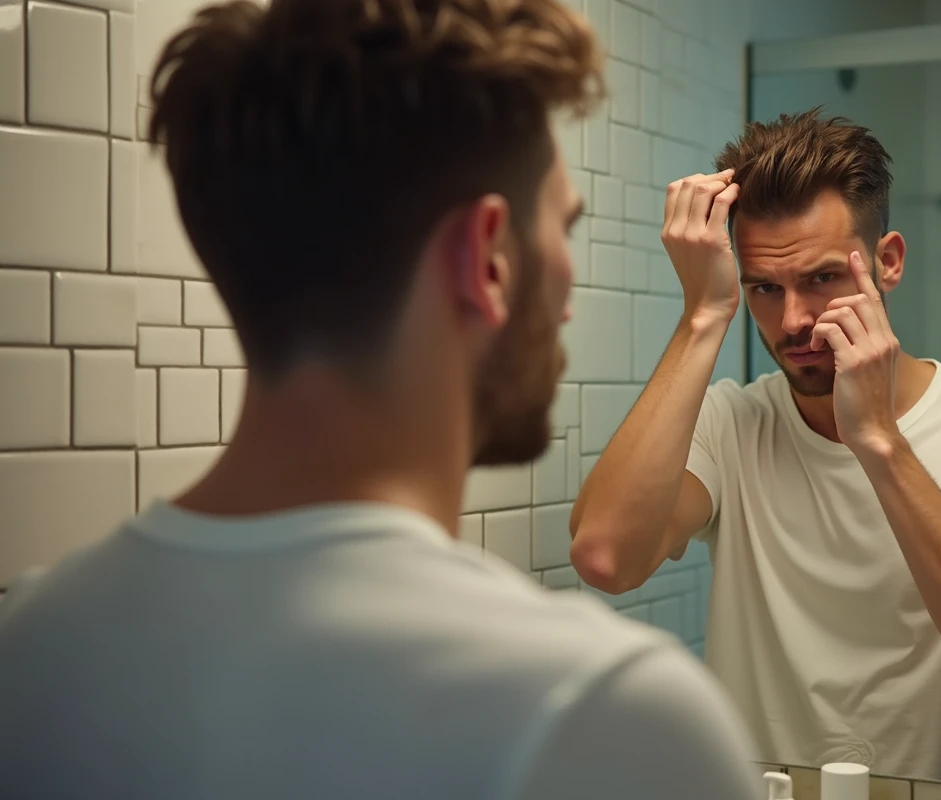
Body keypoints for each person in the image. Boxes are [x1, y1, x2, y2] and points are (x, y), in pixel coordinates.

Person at [0, 1, 762, 798]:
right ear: (489, 257)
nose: (568, 293)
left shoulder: (33, 643)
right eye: (561, 230)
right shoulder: (606, 718)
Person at [569, 108, 941, 786]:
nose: (794, 322)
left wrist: (878, 441)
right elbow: (606, 556)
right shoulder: (732, 424)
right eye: (764, 288)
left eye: (821, 279)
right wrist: (703, 317)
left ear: (888, 261)